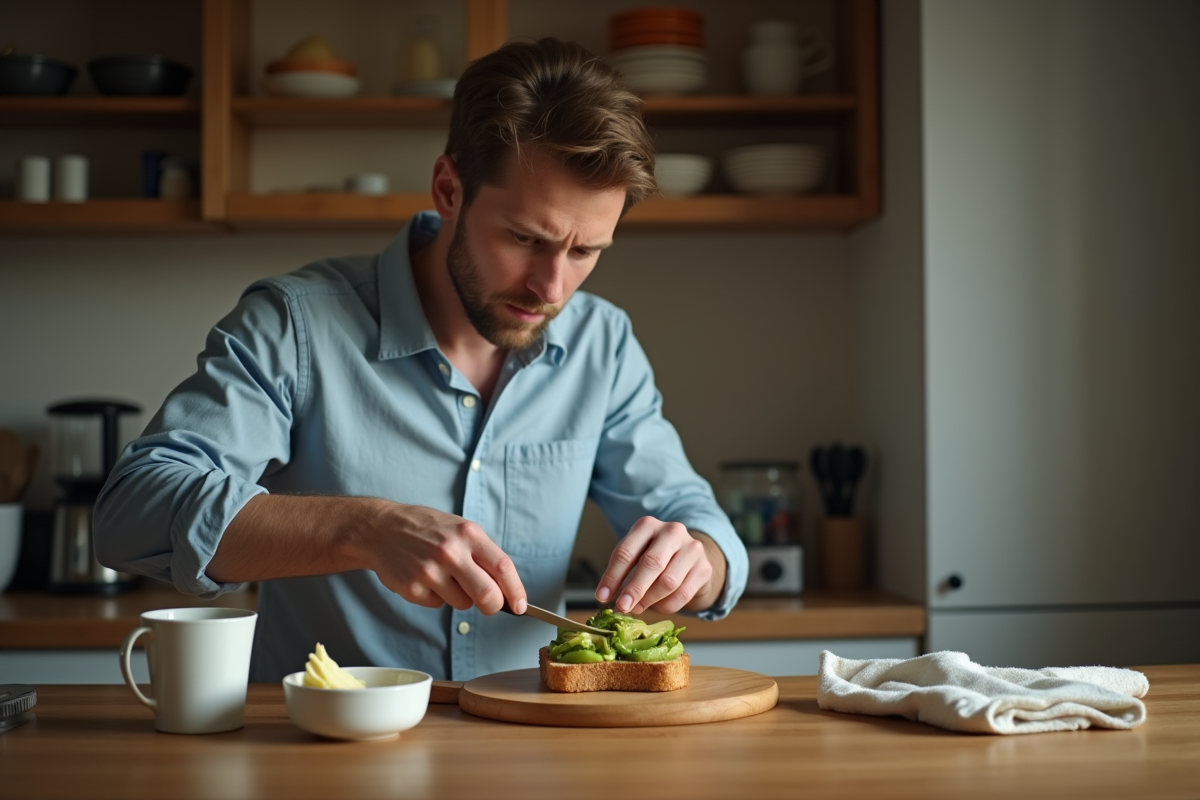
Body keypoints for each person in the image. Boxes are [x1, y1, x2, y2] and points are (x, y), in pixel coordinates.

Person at [94, 38, 747, 682]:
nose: (551, 289)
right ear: (448, 189)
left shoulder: (603, 344)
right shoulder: (295, 323)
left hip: (527, 754)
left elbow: (693, 514)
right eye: (524, 238)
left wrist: (700, 556)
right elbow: (131, 513)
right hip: (319, 760)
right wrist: (366, 528)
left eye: (585, 252)